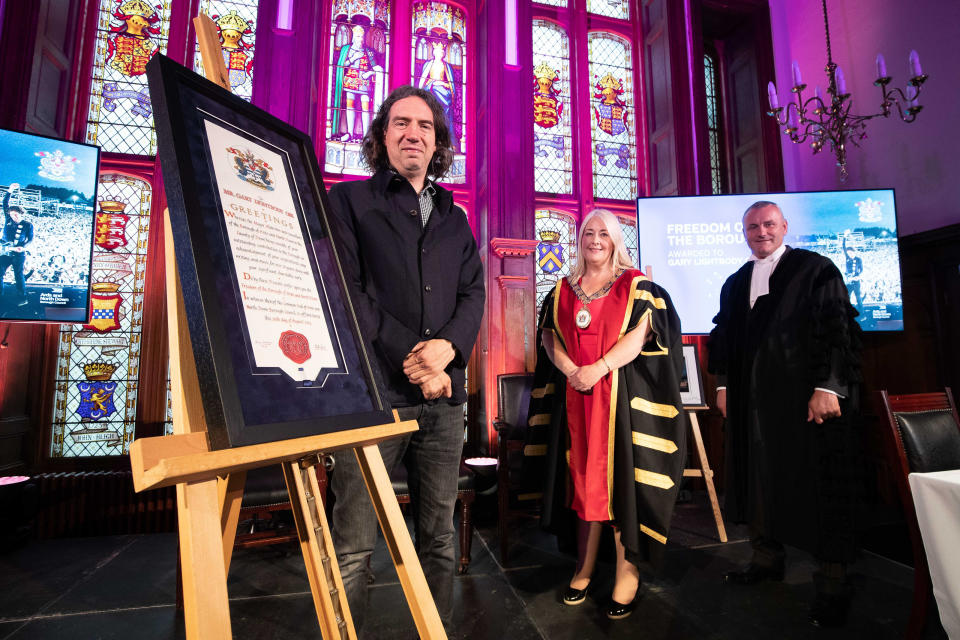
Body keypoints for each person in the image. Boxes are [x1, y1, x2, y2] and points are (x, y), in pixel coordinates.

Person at [326, 85, 484, 635]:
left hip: (443, 399)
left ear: (437, 140)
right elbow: (345, 291)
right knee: (352, 543)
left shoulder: (454, 215)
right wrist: (415, 356)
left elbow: (474, 295)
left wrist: (447, 351)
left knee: (439, 537)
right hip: (373, 396)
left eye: (424, 125)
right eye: (400, 123)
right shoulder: (348, 203)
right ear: (382, 135)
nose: (413, 133)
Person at [524, 209, 687, 621]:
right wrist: (571, 371)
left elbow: (640, 337)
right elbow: (548, 337)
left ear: (616, 240)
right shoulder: (562, 289)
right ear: (580, 240)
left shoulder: (637, 287)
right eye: (588, 233)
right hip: (576, 400)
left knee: (620, 485)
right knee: (581, 483)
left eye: (604, 233)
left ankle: (626, 573)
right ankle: (583, 567)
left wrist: (597, 369)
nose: (595, 239)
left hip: (620, 401)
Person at [708, 201, 862, 628]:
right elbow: (723, 336)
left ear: (784, 226)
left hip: (806, 402)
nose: (761, 232)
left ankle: (833, 585)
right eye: (753, 226)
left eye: (769, 224)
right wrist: (722, 386)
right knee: (758, 478)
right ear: (744, 232)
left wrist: (829, 386)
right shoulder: (736, 281)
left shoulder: (817, 269)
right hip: (753, 405)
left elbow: (838, 327)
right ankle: (765, 559)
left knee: (818, 485)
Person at [331, 24, 385, 143]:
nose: (360, 39)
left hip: (364, 82)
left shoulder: (368, 51)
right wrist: (354, 57)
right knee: (350, 105)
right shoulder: (347, 49)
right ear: (353, 37)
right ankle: (350, 133)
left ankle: (366, 135)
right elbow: (342, 65)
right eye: (358, 36)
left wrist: (370, 73)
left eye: (362, 37)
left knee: (365, 107)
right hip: (350, 80)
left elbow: (375, 66)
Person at [0, 183, 33, 306]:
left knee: (18, 275)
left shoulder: (28, 225)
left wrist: (23, 248)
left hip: (19, 253)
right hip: (5, 252)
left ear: (21, 213)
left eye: (16, 214)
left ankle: (22, 297)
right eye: (11, 214)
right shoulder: (8, 219)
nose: (13, 216)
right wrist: (10, 191)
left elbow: (30, 239)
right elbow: (5, 203)